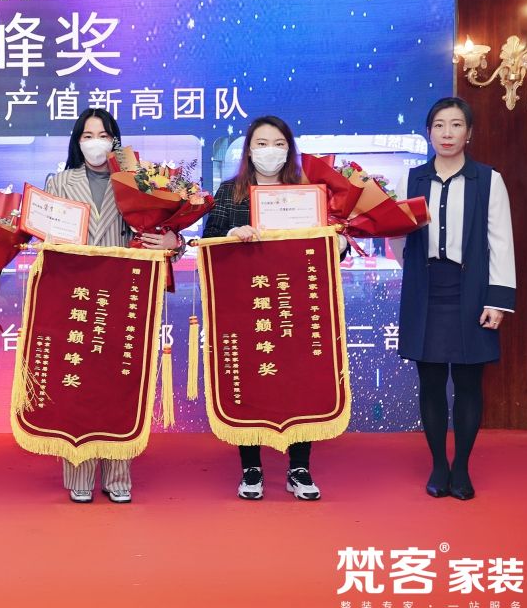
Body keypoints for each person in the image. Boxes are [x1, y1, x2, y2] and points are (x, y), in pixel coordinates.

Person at [203, 115, 346, 502]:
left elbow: (329, 249)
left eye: (279, 144)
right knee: (249, 381)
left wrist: (341, 240)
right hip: (244, 308)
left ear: (290, 150)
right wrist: (231, 234)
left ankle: (299, 467)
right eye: (262, 144)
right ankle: (251, 467)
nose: (270, 151)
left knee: (302, 381)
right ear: (249, 151)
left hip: (294, 307)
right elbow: (208, 241)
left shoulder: (307, 191)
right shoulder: (230, 191)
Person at [45, 108, 182, 504]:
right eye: (87, 135)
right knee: (77, 383)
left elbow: (166, 234)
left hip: (124, 297)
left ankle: (118, 473)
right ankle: (80, 470)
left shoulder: (140, 182)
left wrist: (172, 241)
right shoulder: (58, 182)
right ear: (77, 142)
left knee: (121, 384)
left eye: (103, 135)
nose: (96, 143)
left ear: (115, 141)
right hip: (75, 296)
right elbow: (42, 238)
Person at [396, 97, 514, 501]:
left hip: (472, 291)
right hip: (426, 290)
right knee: (429, 383)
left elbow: (501, 242)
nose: (447, 133)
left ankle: (461, 466)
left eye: (456, 125)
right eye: (439, 125)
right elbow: (399, 237)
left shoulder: (488, 179)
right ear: (429, 132)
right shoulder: (411, 179)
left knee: (468, 383)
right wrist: (414, 270)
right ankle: (438, 465)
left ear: (469, 133)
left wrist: (497, 301)